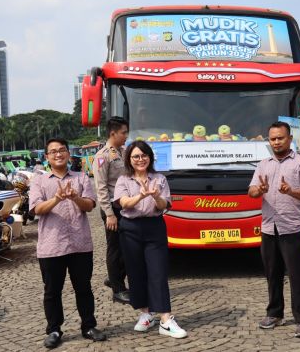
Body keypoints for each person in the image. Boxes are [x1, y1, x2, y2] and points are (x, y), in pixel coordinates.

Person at [29, 138, 106, 349]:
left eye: (62, 150)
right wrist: (56, 199)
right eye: (53, 152)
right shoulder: (39, 181)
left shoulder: (81, 178)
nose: (58, 154)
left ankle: (88, 326)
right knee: (52, 291)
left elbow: (89, 205)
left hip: (80, 244)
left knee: (84, 288)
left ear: (68, 154)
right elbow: (36, 209)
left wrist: (74, 198)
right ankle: (54, 329)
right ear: (47, 157)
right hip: (51, 246)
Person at [248, 121, 300, 338]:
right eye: (272, 138)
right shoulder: (263, 164)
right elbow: (251, 191)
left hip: (293, 228)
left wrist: (292, 191)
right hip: (269, 228)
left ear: (290, 139)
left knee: (298, 276)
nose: (276, 142)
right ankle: (275, 314)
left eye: (280, 138)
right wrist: (258, 190)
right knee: (272, 274)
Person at [114, 140, 187, 339]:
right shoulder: (123, 180)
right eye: (136, 156)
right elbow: (123, 204)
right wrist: (140, 195)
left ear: (150, 157)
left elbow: (164, 205)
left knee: (158, 272)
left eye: (144, 155)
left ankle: (165, 319)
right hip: (130, 229)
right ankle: (146, 314)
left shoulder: (160, 179)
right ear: (129, 159)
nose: (140, 159)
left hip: (154, 227)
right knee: (136, 273)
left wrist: (155, 196)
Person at [93, 116, 131, 304]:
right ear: (113, 133)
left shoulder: (124, 152)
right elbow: (100, 188)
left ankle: (113, 276)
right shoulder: (102, 156)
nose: (126, 136)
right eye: (123, 132)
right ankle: (118, 289)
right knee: (115, 249)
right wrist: (109, 214)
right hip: (112, 210)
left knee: (127, 247)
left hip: (125, 207)